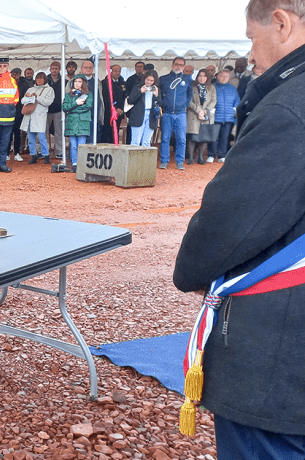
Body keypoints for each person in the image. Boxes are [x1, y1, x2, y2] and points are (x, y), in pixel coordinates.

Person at [174, 1, 305, 458]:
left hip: (279, 354)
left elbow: (229, 223)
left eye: (252, 38)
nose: (251, 54)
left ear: (282, 23)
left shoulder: (289, 109)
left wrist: (188, 269)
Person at [159, 56, 193, 169]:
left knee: (181, 139)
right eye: (177, 64)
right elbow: (159, 94)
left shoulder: (188, 79)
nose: (178, 66)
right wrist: (163, 104)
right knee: (165, 138)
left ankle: (179, 161)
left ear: (184, 67)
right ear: (172, 65)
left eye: (181, 65)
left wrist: (184, 105)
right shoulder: (164, 79)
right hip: (167, 113)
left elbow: (189, 94)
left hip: (181, 113)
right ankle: (164, 161)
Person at [207, 69, 240, 163]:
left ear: (229, 77)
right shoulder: (212, 87)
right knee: (213, 137)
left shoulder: (232, 88)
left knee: (224, 137)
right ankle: (211, 155)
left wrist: (234, 108)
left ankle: (222, 155)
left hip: (228, 117)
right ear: (218, 76)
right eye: (222, 76)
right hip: (215, 116)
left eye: (226, 76)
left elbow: (237, 100)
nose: (224, 78)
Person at [21, 72, 54, 164]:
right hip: (30, 115)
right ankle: (33, 155)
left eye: (41, 78)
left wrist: (37, 98)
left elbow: (48, 102)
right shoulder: (31, 89)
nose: (39, 80)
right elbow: (22, 101)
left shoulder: (49, 90)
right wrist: (27, 97)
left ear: (45, 79)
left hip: (40, 116)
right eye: (37, 78)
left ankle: (46, 155)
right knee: (31, 138)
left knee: (42, 137)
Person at [63, 74, 93, 173]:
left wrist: (73, 109)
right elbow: (64, 107)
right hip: (72, 123)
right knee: (73, 145)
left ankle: (82, 164)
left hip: (83, 122)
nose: (77, 83)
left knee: (81, 145)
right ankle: (74, 164)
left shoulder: (89, 94)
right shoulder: (68, 95)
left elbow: (87, 106)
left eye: (79, 82)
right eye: (75, 82)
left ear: (83, 83)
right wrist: (76, 103)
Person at [185, 69, 217, 164]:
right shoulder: (192, 87)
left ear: (207, 77)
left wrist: (205, 111)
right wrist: (198, 110)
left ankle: (200, 157)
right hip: (194, 114)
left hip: (206, 114)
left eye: (204, 76)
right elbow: (188, 101)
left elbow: (213, 100)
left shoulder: (211, 87)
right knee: (192, 137)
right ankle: (191, 157)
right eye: (200, 75)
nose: (201, 78)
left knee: (204, 137)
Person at [127, 70, 161, 148]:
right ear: (144, 79)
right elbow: (130, 100)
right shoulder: (138, 87)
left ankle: (145, 160)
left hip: (151, 116)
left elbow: (160, 103)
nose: (149, 82)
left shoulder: (156, 89)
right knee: (135, 141)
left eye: (151, 80)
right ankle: (134, 160)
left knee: (146, 142)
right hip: (138, 115)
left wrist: (156, 95)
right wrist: (140, 91)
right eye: (147, 80)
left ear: (155, 81)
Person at [100, 64, 126, 144]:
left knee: (115, 133)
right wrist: (115, 107)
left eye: (119, 71)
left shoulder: (123, 83)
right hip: (108, 112)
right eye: (115, 71)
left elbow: (125, 97)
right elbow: (105, 97)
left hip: (119, 113)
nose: (117, 73)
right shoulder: (104, 83)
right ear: (111, 72)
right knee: (106, 132)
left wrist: (121, 108)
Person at [45, 61, 64, 156]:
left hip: (58, 110)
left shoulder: (64, 80)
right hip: (45, 109)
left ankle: (59, 151)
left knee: (59, 132)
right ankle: (44, 151)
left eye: (56, 68)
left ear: (59, 69)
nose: (54, 70)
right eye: (53, 68)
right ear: (50, 69)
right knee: (44, 131)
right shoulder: (45, 79)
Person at [125, 61, 146, 144]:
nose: (139, 68)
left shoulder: (147, 80)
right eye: (138, 66)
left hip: (144, 108)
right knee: (132, 132)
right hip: (133, 108)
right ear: (135, 68)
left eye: (141, 66)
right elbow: (127, 93)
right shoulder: (130, 79)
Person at [8, 67, 25, 162]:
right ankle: (7, 152)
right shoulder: (8, 82)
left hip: (19, 111)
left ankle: (17, 152)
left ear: (20, 74)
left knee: (17, 133)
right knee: (8, 133)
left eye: (17, 74)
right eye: (13, 74)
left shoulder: (24, 84)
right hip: (8, 110)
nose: (15, 75)